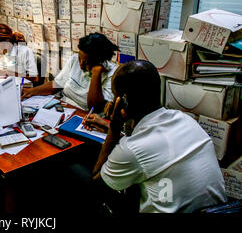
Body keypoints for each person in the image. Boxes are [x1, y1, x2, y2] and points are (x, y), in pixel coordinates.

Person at [90, 60, 226, 213]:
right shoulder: (186, 120)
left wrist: (114, 128)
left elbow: (97, 182)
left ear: (123, 102)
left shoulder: (131, 150)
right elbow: (156, 149)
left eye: (115, 97)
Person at [22, 33, 119, 112]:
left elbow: (94, 107)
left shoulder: (113, 74)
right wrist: (30, 92)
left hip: (84, 114)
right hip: (63, 107)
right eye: (80, 58)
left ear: (100, 61)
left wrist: (96, 73)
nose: (81, 65)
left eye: (86, 63)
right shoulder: (74, 59)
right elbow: (56, 84)